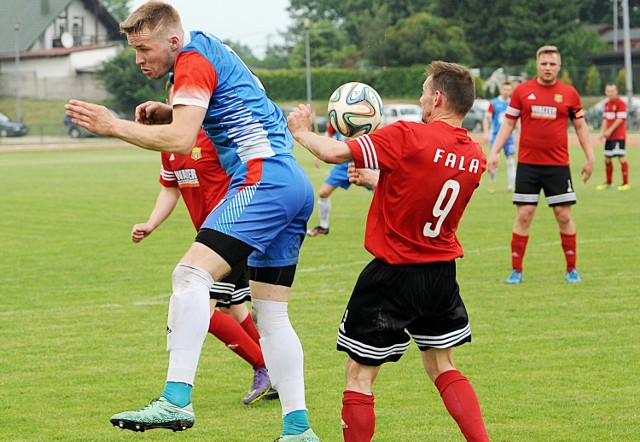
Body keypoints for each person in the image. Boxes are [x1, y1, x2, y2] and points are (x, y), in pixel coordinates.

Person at [65, 3, 318, 440]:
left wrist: (113, 124)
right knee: (272, 315)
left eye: (144, 49)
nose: (139, 59)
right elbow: (233, 111)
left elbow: (183, 140)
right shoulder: (210, 50)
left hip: (263, 179)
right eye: (135, 50)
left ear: (173, 42)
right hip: (291, 180)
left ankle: (175, 400)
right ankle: (298, 429)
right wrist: (169, 112)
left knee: (188, 276)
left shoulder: (191, 61)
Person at [288, 61, 489, 442]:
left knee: (359, 375)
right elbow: (427, 185)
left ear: (438, 98)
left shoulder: (409, 135)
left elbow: (332, 153)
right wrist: (377, 177)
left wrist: (300, 130)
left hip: (394, 274)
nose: (420, 98)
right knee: (441, 364)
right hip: (441, 273)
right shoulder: (474, 156)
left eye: (424, 91)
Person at [131, 79, 275, 405]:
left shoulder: (214, 134)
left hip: (232, 230)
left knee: (203, 311)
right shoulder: (172, 145)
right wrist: (151, 223)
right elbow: (170, 188)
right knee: (235, 307)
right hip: (210, 237)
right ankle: (275, 370)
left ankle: (264, 366)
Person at [488, 45, 594, 285]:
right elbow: (507, 124)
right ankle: (516, 270)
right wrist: (494, 152)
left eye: (552, 64)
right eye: (544, 63)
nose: (548, 68)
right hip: (528, 165)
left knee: (564, 215)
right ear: (537, 65)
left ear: (559, 66)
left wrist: (590, 157)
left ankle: (571, 269)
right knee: (524, 215)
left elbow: (580, 126)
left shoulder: (569, 94)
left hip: (558, 166)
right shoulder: (522, 91)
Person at [306, 124, 372, 237]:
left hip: (362, 161)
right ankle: (323, 226)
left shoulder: (365, 116)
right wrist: (319, 153)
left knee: (380, 189)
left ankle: (389, 222)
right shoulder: (337, 117)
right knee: (323, 193)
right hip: (342, 163)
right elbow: (328, 135)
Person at [596, 83, 630, 191]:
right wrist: (602, 133)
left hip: (618, 136)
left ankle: (625, 183)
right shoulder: (606, 104)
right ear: (606, 92)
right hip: (609, 137)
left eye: (612, 91)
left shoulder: (621, 103)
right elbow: (605, 119)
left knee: (621, 157)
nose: (610, 93)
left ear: (617, 91)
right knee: (607, 158)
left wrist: (609, 131)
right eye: (608, 91)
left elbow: (620, 120)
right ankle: (609, 183)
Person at [483, 81, 517, 190]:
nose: (507, 92)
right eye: (505, 89)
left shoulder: (513, 103)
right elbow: (486, 118)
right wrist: (486, 133)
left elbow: (518, 119)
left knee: (511, 160)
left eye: (509, 90)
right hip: (495, 136)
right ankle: (492, 179)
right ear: (501, 90)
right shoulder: (494, 103)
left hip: (509, 137)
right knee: (494, 159)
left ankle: (512, 184)